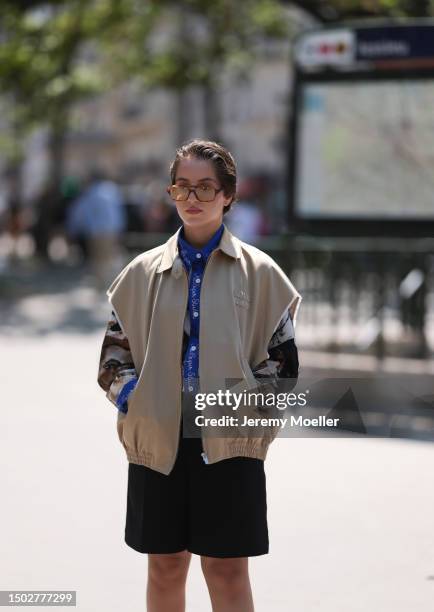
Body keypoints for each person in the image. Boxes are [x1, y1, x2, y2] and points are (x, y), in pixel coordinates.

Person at [97, 139, 302, 612]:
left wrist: (249, 410)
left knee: (227, 570)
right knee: (165, 565)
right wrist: (137, 398)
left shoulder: (260, 273)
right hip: (159, 440)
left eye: (206, 188)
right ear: (171, 193)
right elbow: (112, 358)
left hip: (231, 441)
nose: (192, 198)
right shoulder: (140, 273)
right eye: (182, 187)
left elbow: (283, 364)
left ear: (228, 195)